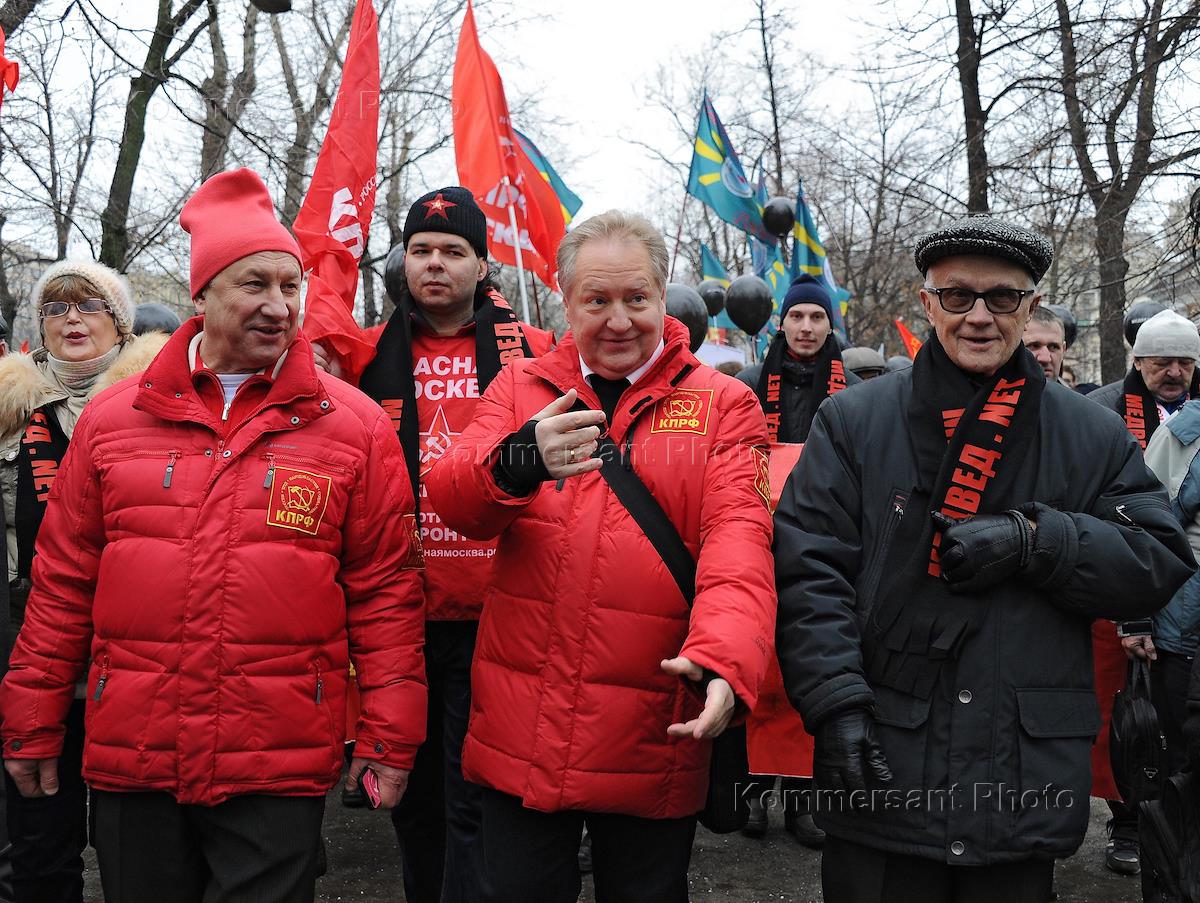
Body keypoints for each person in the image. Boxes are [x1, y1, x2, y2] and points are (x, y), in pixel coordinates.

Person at [0, 168, 428, 903]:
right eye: (254, 284)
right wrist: (32, 718)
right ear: (203, 295)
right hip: (135, 755)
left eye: (290, 285)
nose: (278, 304)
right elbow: (62, 585)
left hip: (278, 758)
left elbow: (385, 594)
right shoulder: (111, 423)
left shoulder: (354, 428)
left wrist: (390, 736)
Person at [774, 214, 1195, 903]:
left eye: (1001, 298)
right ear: (926, 303)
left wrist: (1041, 542)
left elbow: (1157, 557)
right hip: (885, 762)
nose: (978, 316)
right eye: (957, 296)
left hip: (1019, 781)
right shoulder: (852, 421)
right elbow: (809, 573)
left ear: (1031, 307)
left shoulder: (1088, 430)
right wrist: (835, 705)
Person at [426, 210, 775, 903]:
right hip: (524, 724)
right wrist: (522, 456)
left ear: (660, 294)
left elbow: (740, 543)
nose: (619, 320)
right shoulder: (521, 387)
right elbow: (452, 498)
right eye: (597, 300)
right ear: (565, 298)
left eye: (636, 298)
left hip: (654, 722)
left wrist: (724, 659)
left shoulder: (725, 405)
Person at [322, 185, 552, 903]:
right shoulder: (362, 356)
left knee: (474, 797)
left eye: (453, 251)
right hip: (399, 613)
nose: (435, 264)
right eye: (421, 249)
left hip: (500, 612)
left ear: (483, 266)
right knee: (410, 799)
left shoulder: (538, 356)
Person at [0, 260, 168, 903]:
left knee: (142, 846)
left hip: (134, 654)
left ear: (121, 323)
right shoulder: (10, 409)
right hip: (29, 646)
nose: (72, 318)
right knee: (37, 838)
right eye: (56, 307)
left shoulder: (160, 402)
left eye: (89, 304)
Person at [1087, 307, 1200, 875]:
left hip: (1185, 598)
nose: (1174, 372)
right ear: (1138, 361)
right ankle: (1130, 824)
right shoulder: (1104, 410)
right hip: (1126, 580)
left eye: (1185, 362)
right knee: (1132, 718)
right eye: (1163, 361)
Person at [1139, 397, 1200, 783]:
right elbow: (1143, 527)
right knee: (1185, 753)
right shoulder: (1185, 433)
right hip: (1186, 631)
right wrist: (1134, 618)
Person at [737, 274, 860, 443]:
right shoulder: (747, 386)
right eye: (796, 316)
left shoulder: (854, 389)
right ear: (783, 323)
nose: (806, 328)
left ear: (829, 326)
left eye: (817, 317)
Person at [1022, 305, 1066, 382]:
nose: (1045, 358)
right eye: (1034, 346)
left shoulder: (1073, 394)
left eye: (1054, 347)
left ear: (1063, 351)